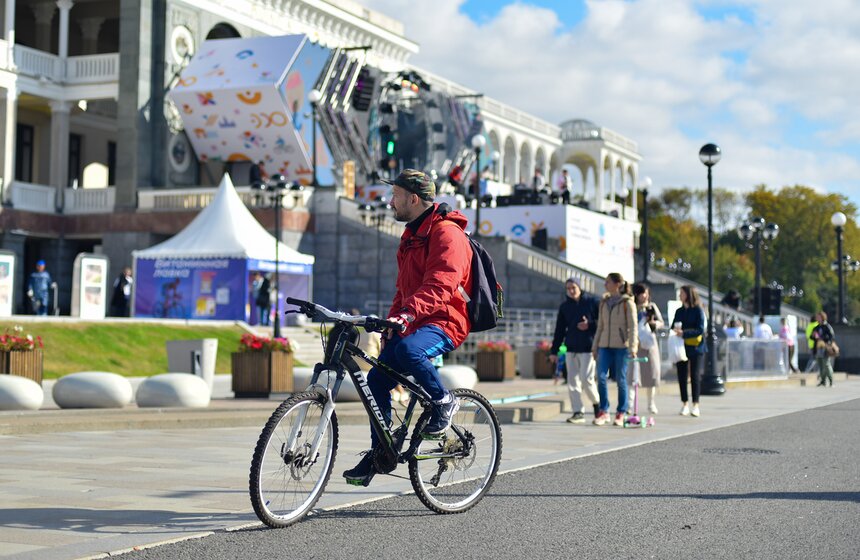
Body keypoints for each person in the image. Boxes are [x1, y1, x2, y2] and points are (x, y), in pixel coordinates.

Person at [342, 169, 473, 486]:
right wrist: (392, 320)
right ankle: (380, 453)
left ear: (413, 199)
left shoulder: (447, 234)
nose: (390, 201)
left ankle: (444, 401)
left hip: (445, 320)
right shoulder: (411, 236)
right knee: (375, 379)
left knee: (409, 350)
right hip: (414, 320)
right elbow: (403, 289)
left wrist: (408, 314)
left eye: (395, 195)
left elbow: (442, 285)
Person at [550, 276, 600, 424]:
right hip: (571, 348)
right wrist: (554, 351)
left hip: (588, 348)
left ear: (580, 287)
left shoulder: (592, 303)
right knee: (572, 381)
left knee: (586, 379)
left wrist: (589, 325)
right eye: (568, 288)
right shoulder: (565, 307)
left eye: (574, 288)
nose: (571, 291)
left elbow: (602, 323)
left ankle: (598, 405)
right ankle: (578, 412)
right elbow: (559, 330)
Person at [591, 272, 637, 426]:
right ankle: (604, 411)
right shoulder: (604, 302)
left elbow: (633, 326)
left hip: (621, 347)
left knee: (621, 380)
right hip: (604, 345)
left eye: (608, 282)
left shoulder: (627, 303)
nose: (605, 285)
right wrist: (595, 345)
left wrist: (633, 347)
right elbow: (600, 326)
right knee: (601, 377)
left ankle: (621, 412)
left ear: (617, 284)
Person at [670, 285, 706, 417]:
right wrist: (676, 330)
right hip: (680, 346)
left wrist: (684, 333)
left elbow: (700, 329)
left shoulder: (697, 310)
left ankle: (696, 404)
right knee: (682, 375)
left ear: (688, 294)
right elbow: (672, 325)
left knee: (695, 375)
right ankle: (684, 403)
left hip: (696, 346)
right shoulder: (679, 311)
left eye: (682, 293)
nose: (680, 295)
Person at [631, 282, 663, 414]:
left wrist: (653, 323)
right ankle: (630, 404)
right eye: (642, 294)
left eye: (646, 294)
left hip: (649, 342)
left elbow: (661, 322)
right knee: (632, 374)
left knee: (652, 373)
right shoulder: (632, 307)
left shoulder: (651, 307)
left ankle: (651, 403)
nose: (645, 296)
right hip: (635, 343)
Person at [811, 311, 836, 387]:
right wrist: (814, 336)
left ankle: (831, 381)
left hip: (825, 347)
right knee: (821, 365)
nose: (817, 318)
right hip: (818, 348)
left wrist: (824, 339)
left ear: (822, 317)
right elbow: (811, 337)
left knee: (826, 364)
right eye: (817, 317)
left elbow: (831, 336)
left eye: (818, 316)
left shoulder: (827, 326)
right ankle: (823, 381)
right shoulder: (817, 327)